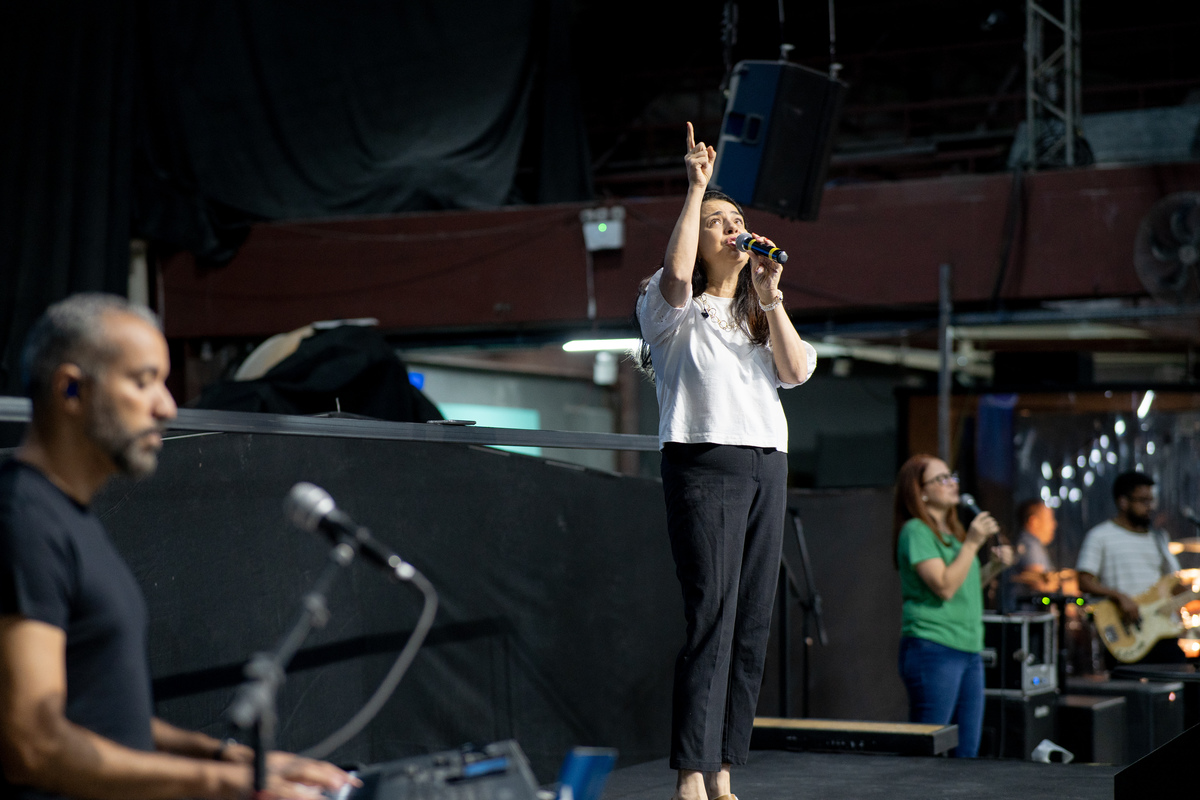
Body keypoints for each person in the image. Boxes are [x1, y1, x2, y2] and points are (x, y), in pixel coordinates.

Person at [0, 294, 358, 800]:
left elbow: (104, 719)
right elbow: (31, 745)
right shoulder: (21, 519)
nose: (166, 406)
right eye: (143, 381)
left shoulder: (66, 519)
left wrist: (233, 760)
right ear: (70, 388)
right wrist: (224, 784)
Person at [635, 122, 815, 800]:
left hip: (768, 461)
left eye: (738, 220)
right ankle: (690, 771)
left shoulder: (755, 313)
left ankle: (724, 768)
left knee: (752, 622)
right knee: (711, 612)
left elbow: (795, 372)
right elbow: (680, 273)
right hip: (706, 459)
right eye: (719, 222)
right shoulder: (670, 308)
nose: (733, 229)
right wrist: (697, 189)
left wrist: (771, 294)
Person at [893, 455, 1012, 758]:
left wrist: (993, 567)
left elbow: (963, 585)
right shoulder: (916, 531)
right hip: (934, 647)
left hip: (968, 648)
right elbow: (944, 587)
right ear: (920, 492)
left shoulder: (953, 536)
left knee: (967, 751)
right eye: (941, 479)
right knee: (928, 749)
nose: (952, 483)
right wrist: (972, 543)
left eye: (952, 476)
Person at [1076, 471, 1184, 664]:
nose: (1150, 507)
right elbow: (1084, 581)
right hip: (1127, 631)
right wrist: (1119, 596)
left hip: (1161, 629)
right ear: (1123, 502)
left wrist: (1191, 595)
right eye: (1143, 501)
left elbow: (1172, 584)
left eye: (1151, 500)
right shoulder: (1100, 536)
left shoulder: (1159, 538)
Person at [1003, 499, 1071, 610]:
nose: (1054, 525)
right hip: (1026, 616)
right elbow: (1039, 583)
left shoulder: (1033, 544)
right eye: (1050, 519)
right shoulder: (1029, 544)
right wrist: (1062, 584)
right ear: (1034, 521)